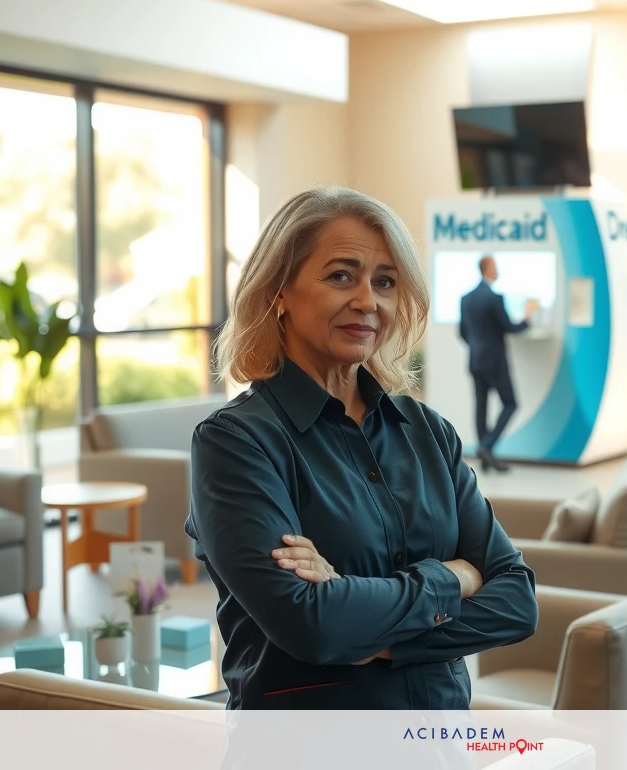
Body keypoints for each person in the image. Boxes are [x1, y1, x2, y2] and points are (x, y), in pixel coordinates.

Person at [185, 187, 538, 711]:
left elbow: (516, 601)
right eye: (340, 276)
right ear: (279, 290)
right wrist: (456, 576)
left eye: (386, 282)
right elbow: (314, 626)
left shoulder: (428, 432)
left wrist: (373, 633)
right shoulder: (236, 443)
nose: (368, 301)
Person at [459, 256, 538, 472]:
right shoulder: (494, 298)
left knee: (481, 406)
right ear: (488, 269)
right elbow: (510, 328)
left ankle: (486, 455)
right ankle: (486, 446)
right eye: (495, 267)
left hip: (475, 359)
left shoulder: (466, 298)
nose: (498, 271)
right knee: (510, 403)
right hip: (494, 360)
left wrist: (477, 347)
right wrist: (527, 319)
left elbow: (463, 332)